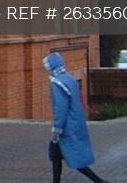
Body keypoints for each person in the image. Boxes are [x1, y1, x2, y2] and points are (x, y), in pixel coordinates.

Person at [43, 52, 106, 183]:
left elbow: (61, 108)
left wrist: (57, 128)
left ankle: (99, 181)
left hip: (66, 126)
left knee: (71, 156)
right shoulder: (70, 79)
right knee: (56, 154)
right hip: (75, 122)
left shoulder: (57, 83)